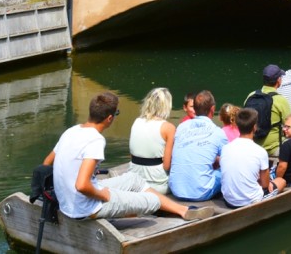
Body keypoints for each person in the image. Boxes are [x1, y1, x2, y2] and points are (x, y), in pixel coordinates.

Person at [43, 91, 212, 222]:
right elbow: (81, 185)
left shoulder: (71, 131)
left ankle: (183, 211)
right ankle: (159, 212)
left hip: (70, 202)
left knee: (134, 179)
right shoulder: (95, 140)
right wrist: (105, 195)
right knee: (151, 201)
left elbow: (46, 164)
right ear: (109, 118)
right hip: (87, 208)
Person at [169, 90, 228, 201]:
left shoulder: (181, 127)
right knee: (225, 171)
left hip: (176, 190)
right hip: (201, 193)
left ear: (194, 109)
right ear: (213, 109)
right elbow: (229, 160)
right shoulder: (217, 132)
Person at [219, 108, 271, 208]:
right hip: (251, 201)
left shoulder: (226, 148)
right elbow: (265, 185)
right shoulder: (260, 151)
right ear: (255, 127)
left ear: (237, 126)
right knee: (281, 182)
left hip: (228, 201)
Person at [128, 87, 176, 194]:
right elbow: (167, 165)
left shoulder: (136, 122)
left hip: (134, 181)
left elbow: (132, 154)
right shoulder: (169, 127)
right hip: (157, 185)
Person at [243, 64, 291, 155]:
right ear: (278, 80)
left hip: (252, 146)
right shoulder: (281, 100)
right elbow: (289, 125)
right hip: (273, 149)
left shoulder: (251, 95)